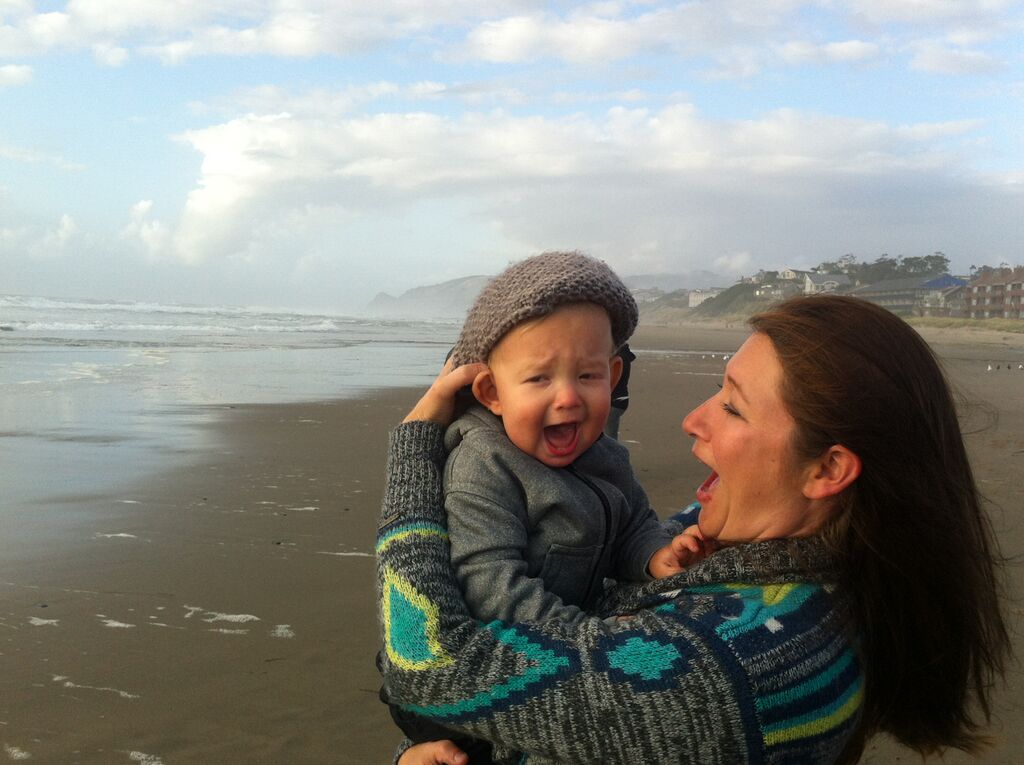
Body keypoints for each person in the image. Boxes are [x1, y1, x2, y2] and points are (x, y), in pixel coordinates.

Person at [377, 294, 1010, 764]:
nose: (692, 420)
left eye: (733, 406)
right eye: (717, 389)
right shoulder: (764, 554)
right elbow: (628, 534)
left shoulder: (729, 669)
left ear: (828, 469)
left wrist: (416, 443)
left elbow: (425, 661)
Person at [383, 252, 703, 761]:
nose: (569, 398)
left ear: (615, 375)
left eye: (588, 376)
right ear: (491, 392)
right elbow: (489, 584)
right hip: (471, 677)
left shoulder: (605, 456)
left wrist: (654, 557)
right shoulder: (484, 465)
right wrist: (590, 642)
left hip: (553, 652)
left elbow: (633, 521)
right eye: (539, 379)